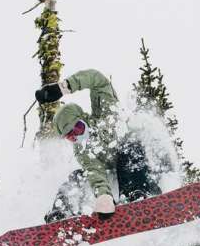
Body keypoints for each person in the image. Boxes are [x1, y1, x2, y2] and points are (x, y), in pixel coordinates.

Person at [35, 68, 166, 222]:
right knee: (77, 176)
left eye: (78, 128)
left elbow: (97, 80)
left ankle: (137, 195)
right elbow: (95, 173)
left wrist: (62, 88)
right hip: (110, 179)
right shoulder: (82, 150)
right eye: (71, 136)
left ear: (84, 119)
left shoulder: (106, 114)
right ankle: (61, 214)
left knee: (129, 148)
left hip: (138, 171)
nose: (78, 136)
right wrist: (104, 196)